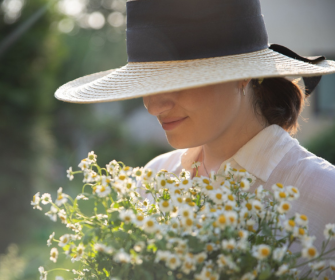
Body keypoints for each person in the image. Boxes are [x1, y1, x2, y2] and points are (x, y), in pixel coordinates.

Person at [54, 0, 335, 271]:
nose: (153, 106)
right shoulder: (156, 179)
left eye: (179, 81)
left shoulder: (325, 197)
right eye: (146, 84)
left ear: (242, 74)